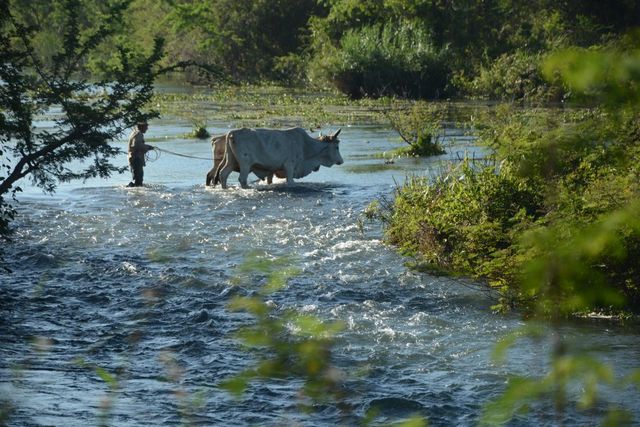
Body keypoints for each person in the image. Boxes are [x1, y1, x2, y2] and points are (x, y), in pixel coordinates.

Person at [127, 121, 154, 187]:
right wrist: (148, 147)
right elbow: (137, 145)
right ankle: (134, 189)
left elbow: (137, 145)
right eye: (146, 127)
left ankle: (134, 189)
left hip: (134, 158)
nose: (147, 129)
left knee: (137, 177)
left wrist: (147, 147)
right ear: (142, 127)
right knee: (138, 179)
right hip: (136, 158)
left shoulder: (135, 133)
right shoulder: (138, 134)